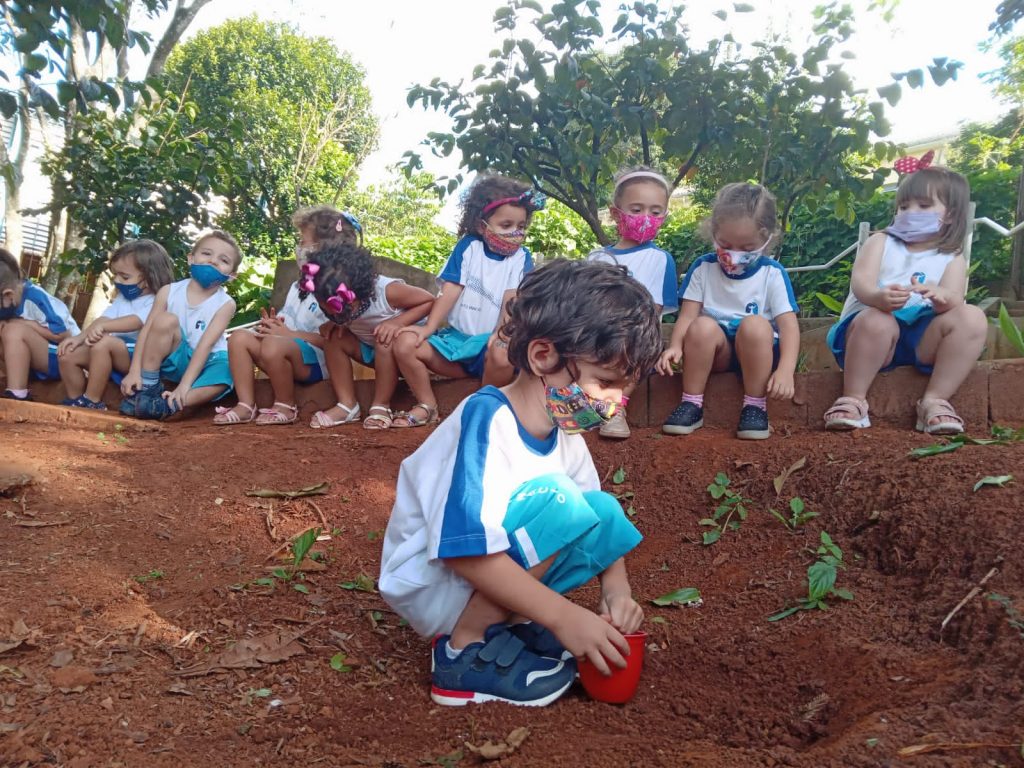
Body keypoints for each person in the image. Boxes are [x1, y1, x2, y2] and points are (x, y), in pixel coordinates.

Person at [379, 259, 663, 707]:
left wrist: (616, 592)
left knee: (599, 508)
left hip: (480, 576)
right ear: (543, 355)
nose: (613, 403)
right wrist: (564, 616)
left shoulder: (562, 429)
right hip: (435, 580)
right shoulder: (486, 418)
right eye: (605, 383)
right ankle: (464, 651)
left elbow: (596, 512)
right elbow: (466, 552)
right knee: (564, 501)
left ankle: (505, 626)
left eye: (622, 391)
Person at [824, 163, 986, 434]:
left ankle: (935, 401)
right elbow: (861, 284)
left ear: (950, 215)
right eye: (904, 206)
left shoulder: (952, 256)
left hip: (919, 340)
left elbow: (955, 299)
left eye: (924, 206)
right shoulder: (881, 241)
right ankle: (853, 399)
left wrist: (941, 296)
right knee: (878, 319)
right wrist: (878, 297)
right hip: (868, 338)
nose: (911, 212)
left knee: (972, 317)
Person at [391, 174, 541, 428]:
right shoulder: (468, 247)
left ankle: (483, 411)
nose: (516, 233)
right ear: (482, 226)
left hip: (489, 349)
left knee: (503, 353)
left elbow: (511, 299)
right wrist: (428, 328)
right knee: (405, 343)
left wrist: (501, 335)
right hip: (456, 345)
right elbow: (450, 291)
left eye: (521, 226)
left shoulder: (521, 258)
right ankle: (428, 406)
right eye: (506, 225)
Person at [657, 183, 799, 440]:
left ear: (766, 239)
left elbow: (789, 326)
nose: (734, 255)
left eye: (746, 249)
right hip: (716, 353)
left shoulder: (772, 274)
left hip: (760, 352)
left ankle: (755, 407)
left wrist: (786, 370)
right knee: (700, 326)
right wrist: (675, 345)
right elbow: (687, 316)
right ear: (714, 233)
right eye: (725, 244)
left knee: (755, 325)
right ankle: (691, 403)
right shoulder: (703, 268)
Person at [211, 206, 361, 426]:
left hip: (317, 363)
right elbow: (283, 329)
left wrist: (289, 335)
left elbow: (337, 341)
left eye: (303, 241)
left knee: (274, 344)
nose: (298, 248)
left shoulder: (338, 291)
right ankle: (245, 405)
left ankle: (286, 405)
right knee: (239, 338)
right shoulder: (297, 286)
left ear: (326, 248)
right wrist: (271, 326)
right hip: (282, 352)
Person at [298, 243, 435, 429]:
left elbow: (428, 300)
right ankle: (347, 405)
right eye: (327, 311)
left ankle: (381, 405)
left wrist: (397, 323)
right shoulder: (335, 299)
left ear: (356, 292)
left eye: (340, 310)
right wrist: (337, 322)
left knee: (385, 337)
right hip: (374, 353)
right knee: (334, 338)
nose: (336, 315)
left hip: (407, 355)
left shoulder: (387, 292)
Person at [587, 166, 678, 439]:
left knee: (635, 343)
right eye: (636, 210)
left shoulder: (661, 259)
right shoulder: (596, 258)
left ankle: (615, 408)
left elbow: (655, 312)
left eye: (655, 211)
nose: (646, 218)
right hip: (596, 335)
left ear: (664, 214)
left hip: (637, 337)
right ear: (616, 213)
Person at [119, 230, 242, 420]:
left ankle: (165, 405)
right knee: (164, 320)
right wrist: (135, 372)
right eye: (206, 253)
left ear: (232, 275)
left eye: (223, 260)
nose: (213, 261)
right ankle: (149, 388)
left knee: (226, 372)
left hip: (208, 360)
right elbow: (146, 330)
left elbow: (205, 346)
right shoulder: (168, 291)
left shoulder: (226, 304)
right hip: (176, 356)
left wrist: (184, 386)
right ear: (191, 258)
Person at [57, 240, 174, 410]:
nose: (117, 280)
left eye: (124, 276)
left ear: (148, 277)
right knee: (68, 353)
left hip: (137, 357)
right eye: (116, 275)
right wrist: (79, 338)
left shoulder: (158, 299)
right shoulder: (123, 298)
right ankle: (75, 398)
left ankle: (92, 400)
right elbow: (104, 319)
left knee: (104, 342)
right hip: (111, 353)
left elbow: (137, 321)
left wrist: (105, 328)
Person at [0, 248, 79, 400]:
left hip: (63, 358)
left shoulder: (36, 298)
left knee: (13, 330)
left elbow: (63, 334)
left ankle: (17, 394)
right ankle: (4, 382)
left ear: (8, 294)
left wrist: (24, 324)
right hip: (35, 360)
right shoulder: (7, 302)